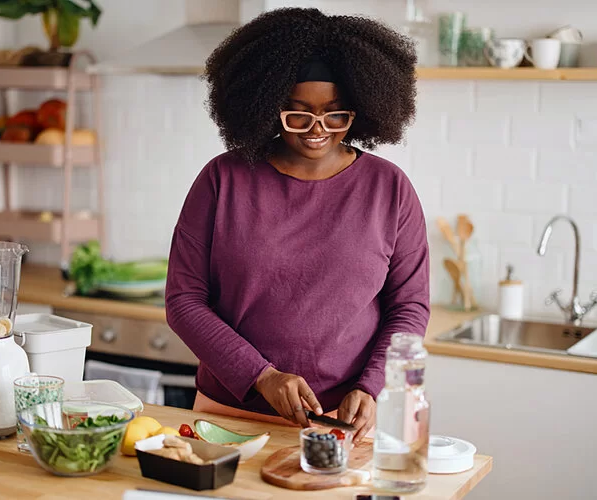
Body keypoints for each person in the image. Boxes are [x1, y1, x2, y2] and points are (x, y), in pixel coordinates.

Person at [165, 7, 429, 442]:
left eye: (336, 114)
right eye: (299, 114)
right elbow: (183, 301)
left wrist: (373, 384)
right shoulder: (222, 179)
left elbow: (410, 306)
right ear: (269, 105)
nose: (317, 130)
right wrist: (261, 376)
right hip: (231, 416)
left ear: (360, 109)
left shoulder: (390, 188)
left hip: (347, 422)